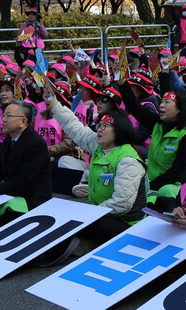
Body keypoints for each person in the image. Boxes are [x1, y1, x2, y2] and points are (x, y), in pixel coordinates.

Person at [46, 93, 147, 241]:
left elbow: (121, 204)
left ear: (119, 130)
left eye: (105, 126)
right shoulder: (100, 146)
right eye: (99, 125)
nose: (99, 129)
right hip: (104, 213)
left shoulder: (127, 160)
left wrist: (91, 212)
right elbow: (75, 127)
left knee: (76, 223)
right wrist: (53, 103)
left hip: (126, 224)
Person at [0, 99, 53, 216]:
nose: (3, 119)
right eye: (3, 115)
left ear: (23, 121)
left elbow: (25, 180)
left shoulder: (36, 143)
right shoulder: (9, 140)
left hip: (31, 200)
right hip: (11, 193)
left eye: (8, 116)